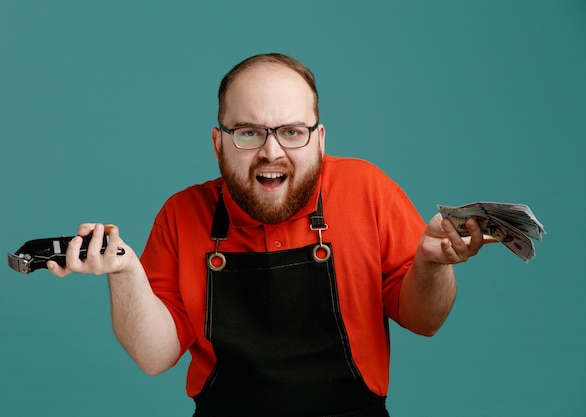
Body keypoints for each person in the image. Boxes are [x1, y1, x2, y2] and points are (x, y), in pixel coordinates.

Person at [47, 53, 492, 417]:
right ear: (218, 143)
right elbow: (153, 355)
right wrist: (125, 272)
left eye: (292, 132)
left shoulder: (368, 190)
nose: (271, 151)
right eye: (248, 133)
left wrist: (432, 267)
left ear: (319, 139)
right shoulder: (182, 214)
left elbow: (425, 320)